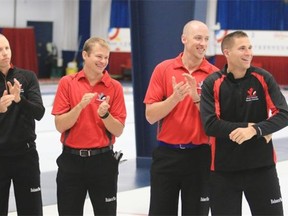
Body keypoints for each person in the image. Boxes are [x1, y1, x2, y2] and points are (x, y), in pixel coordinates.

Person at [200, 30, 288, 215]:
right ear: (227, 52)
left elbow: (283, 113)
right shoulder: (213, 83)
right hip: (224, 170)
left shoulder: (263, 78)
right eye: (242, 48)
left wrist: (256, 129)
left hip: (262, 168)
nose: (248, 52)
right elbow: (210, 124)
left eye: (249, 47)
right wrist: (245, 128)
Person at [143, 20, 219, 215]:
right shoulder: (163, 69)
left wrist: (196, 99)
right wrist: (174, 98)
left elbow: (217, 121)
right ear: (184, 39)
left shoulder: (215, 76)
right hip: (167, 156)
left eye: (206, 39)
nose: (203, 43)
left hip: (200, 157)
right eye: (198, 38)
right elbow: (150, 116)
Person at [51, 37, 127, 216]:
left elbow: (118, 130)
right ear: (85, 55)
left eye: (106, 58)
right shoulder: (67, 83)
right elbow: (60, 125)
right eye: (99, 56)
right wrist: (79, 107)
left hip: (102, 161)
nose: (103, 62)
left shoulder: (114, 87)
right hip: (71, 161)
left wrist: (105, 115)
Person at [0, 34, 45, 215]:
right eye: (0, 50)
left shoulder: (27, 77)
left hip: (26, 157)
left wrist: (20, 100)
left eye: (7, 48)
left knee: (31, 211)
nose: (5, 53)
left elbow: (39, 113)